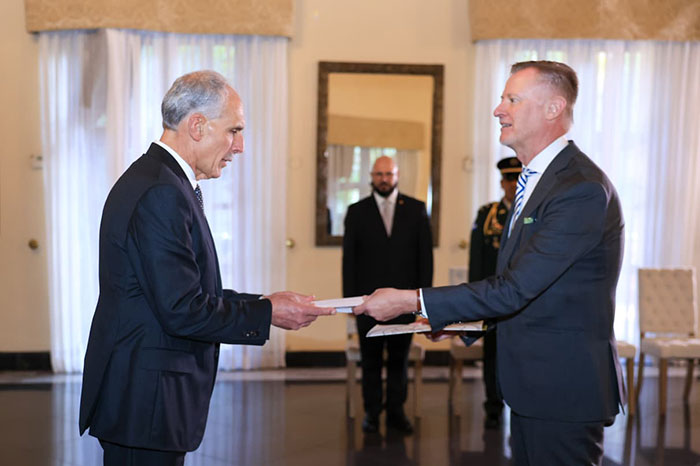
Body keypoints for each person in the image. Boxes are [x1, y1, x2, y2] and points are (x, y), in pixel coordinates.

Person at [354, 61, 626, 465]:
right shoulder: (541, 181)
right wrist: (462, 322)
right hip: (535, 385)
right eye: (502, 99)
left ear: (553, 108)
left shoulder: (579, 188)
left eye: (512, 99)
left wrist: (410, 300)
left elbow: (515, 288)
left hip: (562, 387)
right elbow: (534, 290)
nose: (498, 110)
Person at [79, 70, 334, 466]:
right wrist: (267, 313)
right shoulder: (161, 191)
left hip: (144, 398)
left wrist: (266, 302)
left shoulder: (160, 180)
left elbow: (186, 291)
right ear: (197, 125)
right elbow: (182, 309)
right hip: (145, 402)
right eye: (234, 130)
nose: (240, 146)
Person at [342, 156, 433, 435]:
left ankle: (396, 412)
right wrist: (351, 303)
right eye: (379, 174)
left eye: (388, 174)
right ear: (371, 176)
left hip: (405, 303)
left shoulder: (416, 210)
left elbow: (425, 260)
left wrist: (423, 303)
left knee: (398, 360)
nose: (384, 179)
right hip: (367, 304)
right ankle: (371, 413)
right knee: (370, 361)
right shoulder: (357, 211)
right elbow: (349, 262)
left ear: (397, 176)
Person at [468, 156, 521, 429]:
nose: (514, 183)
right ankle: (493, 406)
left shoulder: (534, 212)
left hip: (524, 300)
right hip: (493, 298)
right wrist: (474, 301)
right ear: (502, 183)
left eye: (518, 177)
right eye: (509, 178)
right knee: (492, 355)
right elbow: (476, 261)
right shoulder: (488, 215)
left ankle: (520, 407)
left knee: (522, 356)